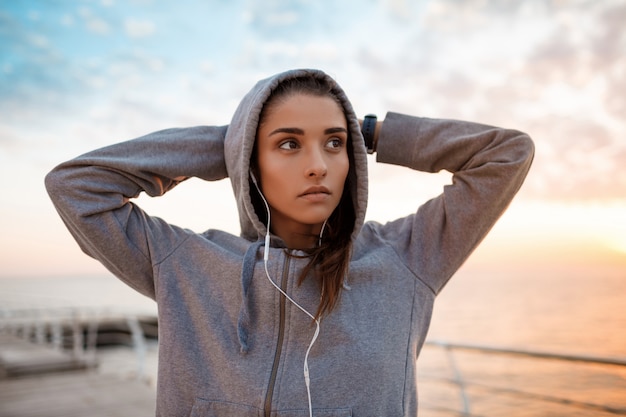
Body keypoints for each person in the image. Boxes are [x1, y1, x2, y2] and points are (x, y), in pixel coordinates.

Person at [45, 68, 534, 417]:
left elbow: (507, 155)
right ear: (252, 161)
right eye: (288, 143)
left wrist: (375, 132)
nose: (318, 163)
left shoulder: (408, 256)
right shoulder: (185, 262)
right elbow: (76, 186)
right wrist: (230, 145)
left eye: (335, 143)